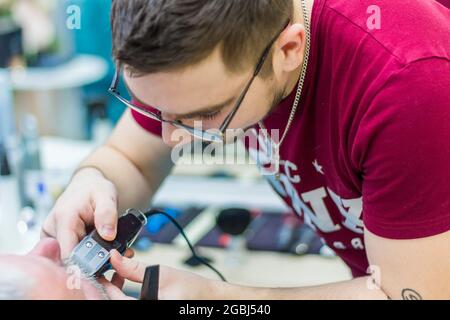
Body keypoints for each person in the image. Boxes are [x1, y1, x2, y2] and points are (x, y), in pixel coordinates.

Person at [43, 0, 450, 299]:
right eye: (151, 106)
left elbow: (412, 293)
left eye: (201, 113)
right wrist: (93, 180)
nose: (171, 137)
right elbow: (131, 159)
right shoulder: (190, 58)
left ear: (288, 51)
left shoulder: (409, 83)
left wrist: (217, 301)